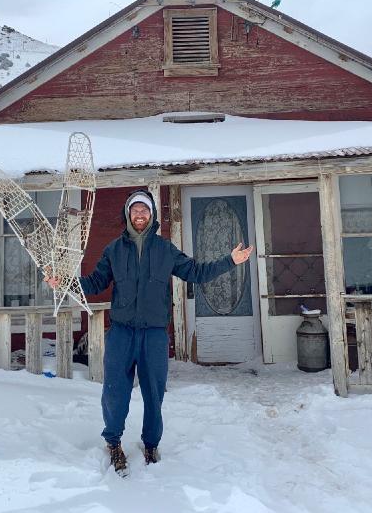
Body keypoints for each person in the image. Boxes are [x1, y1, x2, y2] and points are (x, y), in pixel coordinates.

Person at [46, 189, 253, 475]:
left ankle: (151, 444)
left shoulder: (165, 249)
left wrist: (231, 260)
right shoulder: (114, 250)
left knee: (154, 394)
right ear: (128, 215)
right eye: (135, 210)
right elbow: (94, 283)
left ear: (152, 215)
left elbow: (197, 272)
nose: (140, 214)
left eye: (145, 210)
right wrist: (66, 283)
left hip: (154, 335)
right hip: (121, 333)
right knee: (115, 391)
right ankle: (114, 442)